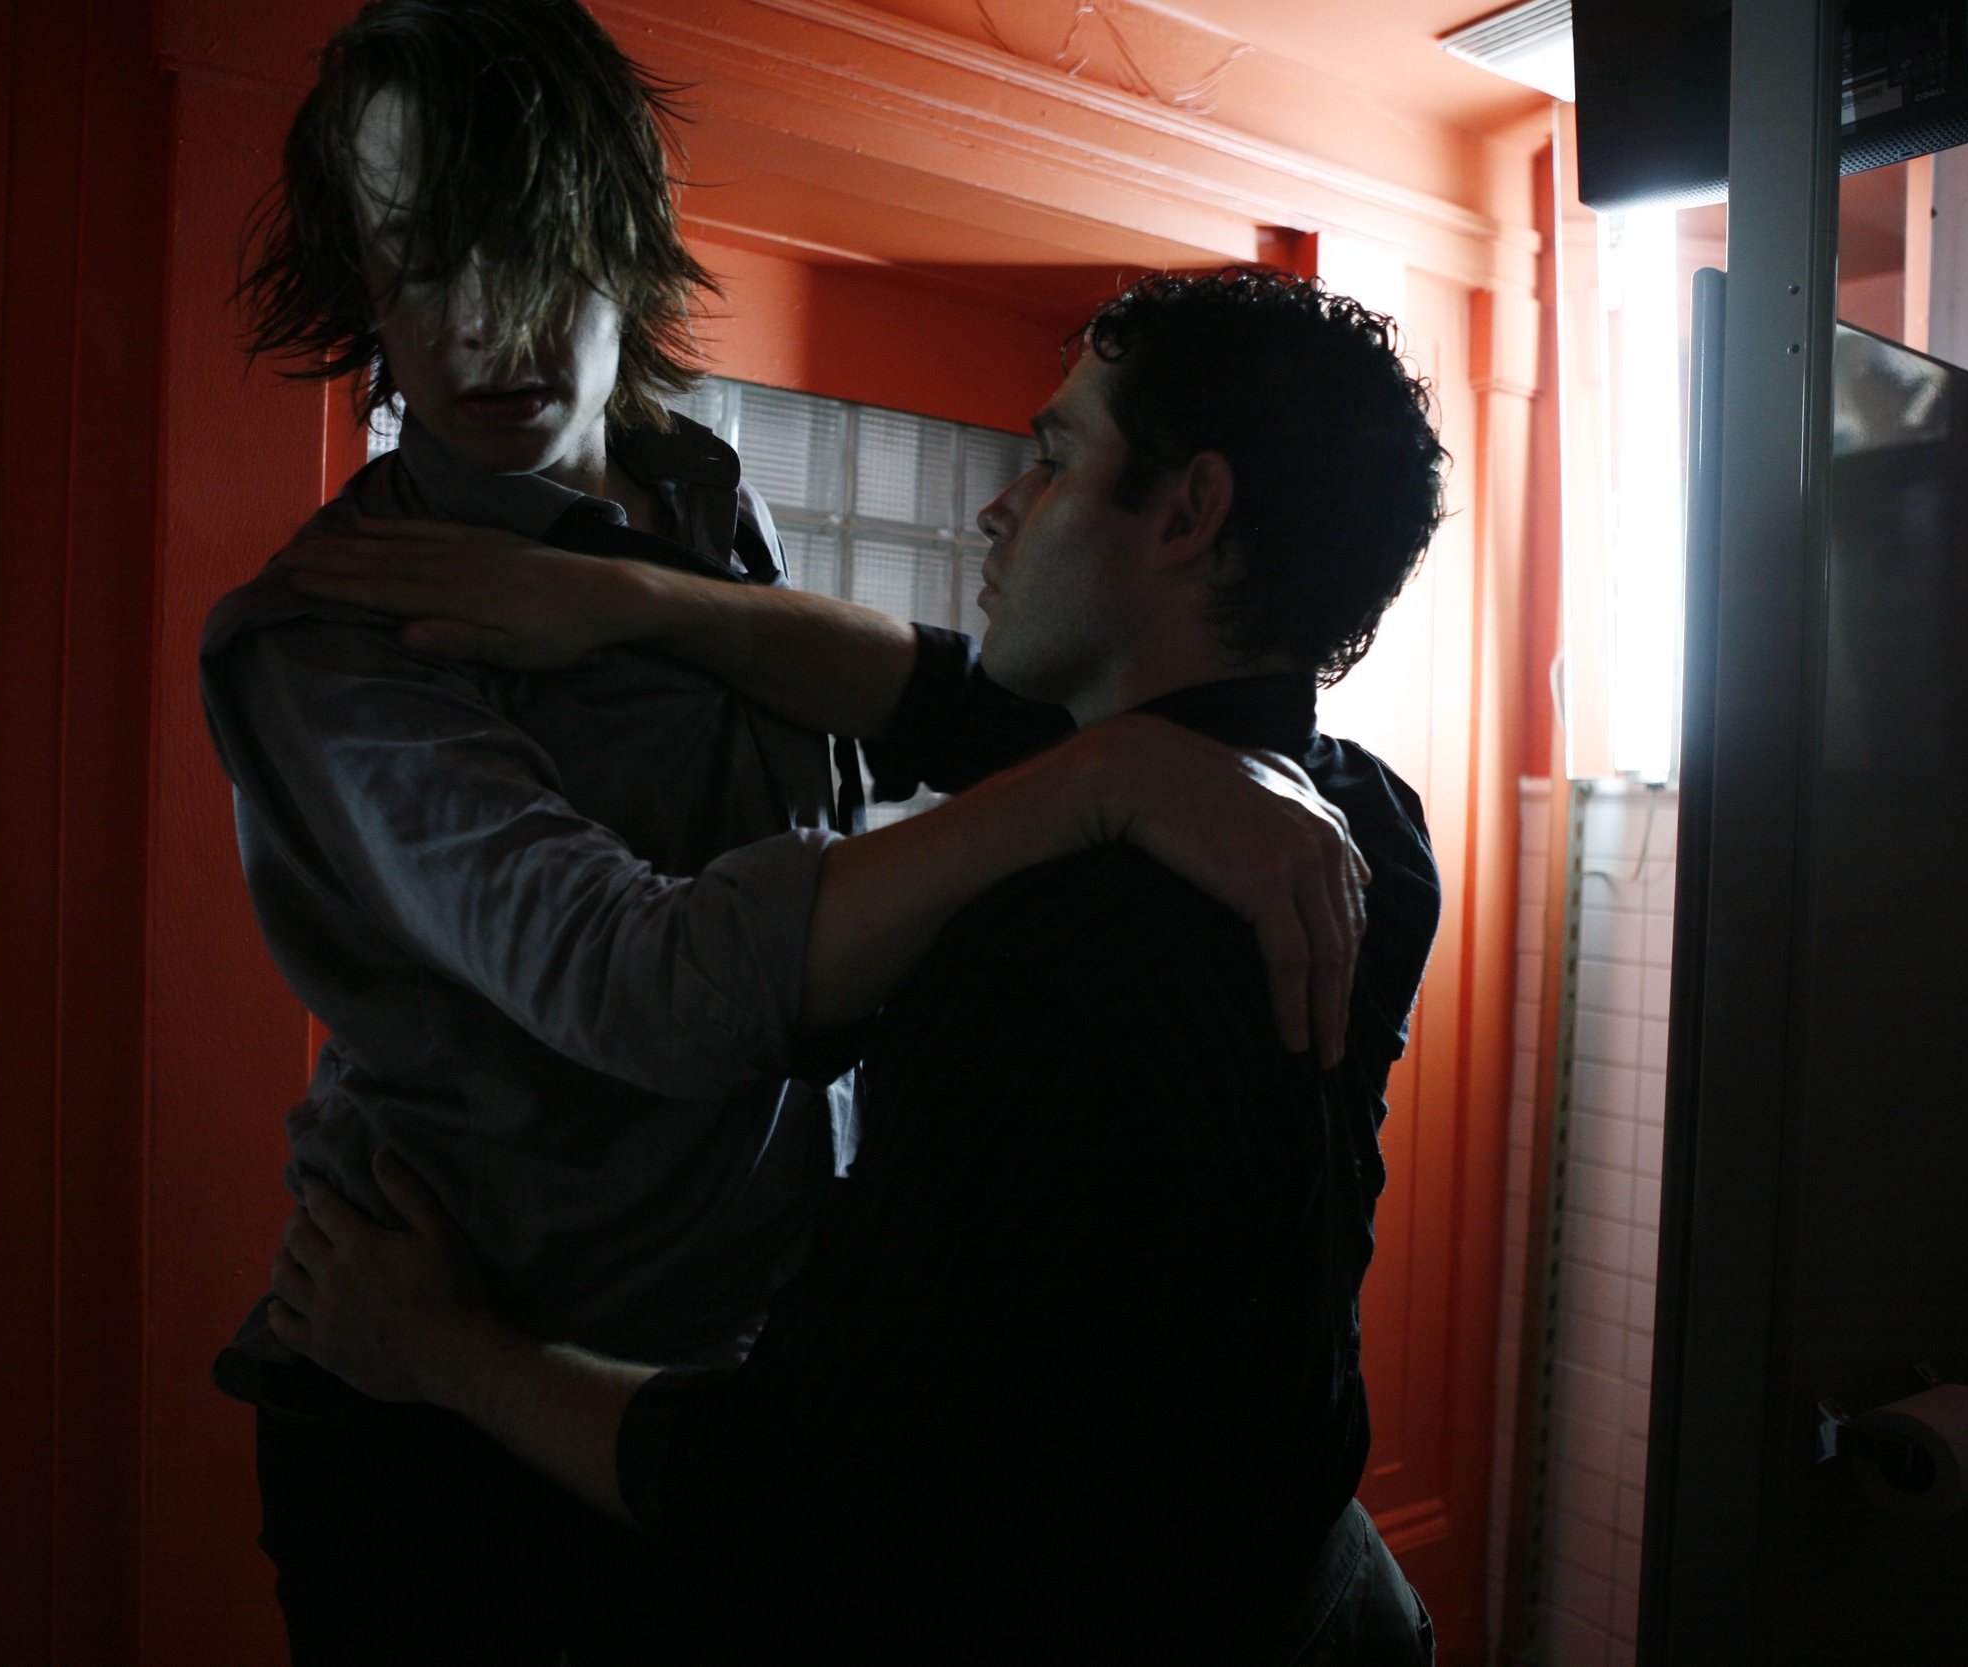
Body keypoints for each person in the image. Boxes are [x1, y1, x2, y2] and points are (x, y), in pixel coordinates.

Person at [209, 3, 1370, 1661]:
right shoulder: (329, 629)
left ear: (613, 231)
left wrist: (628, 603)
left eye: (523, 251)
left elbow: (906, 724)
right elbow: (642, 985)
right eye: (415, 266)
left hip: (732, 1384)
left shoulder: (693, 493)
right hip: (444, 1381)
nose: (474, 330)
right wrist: (1105, 781)